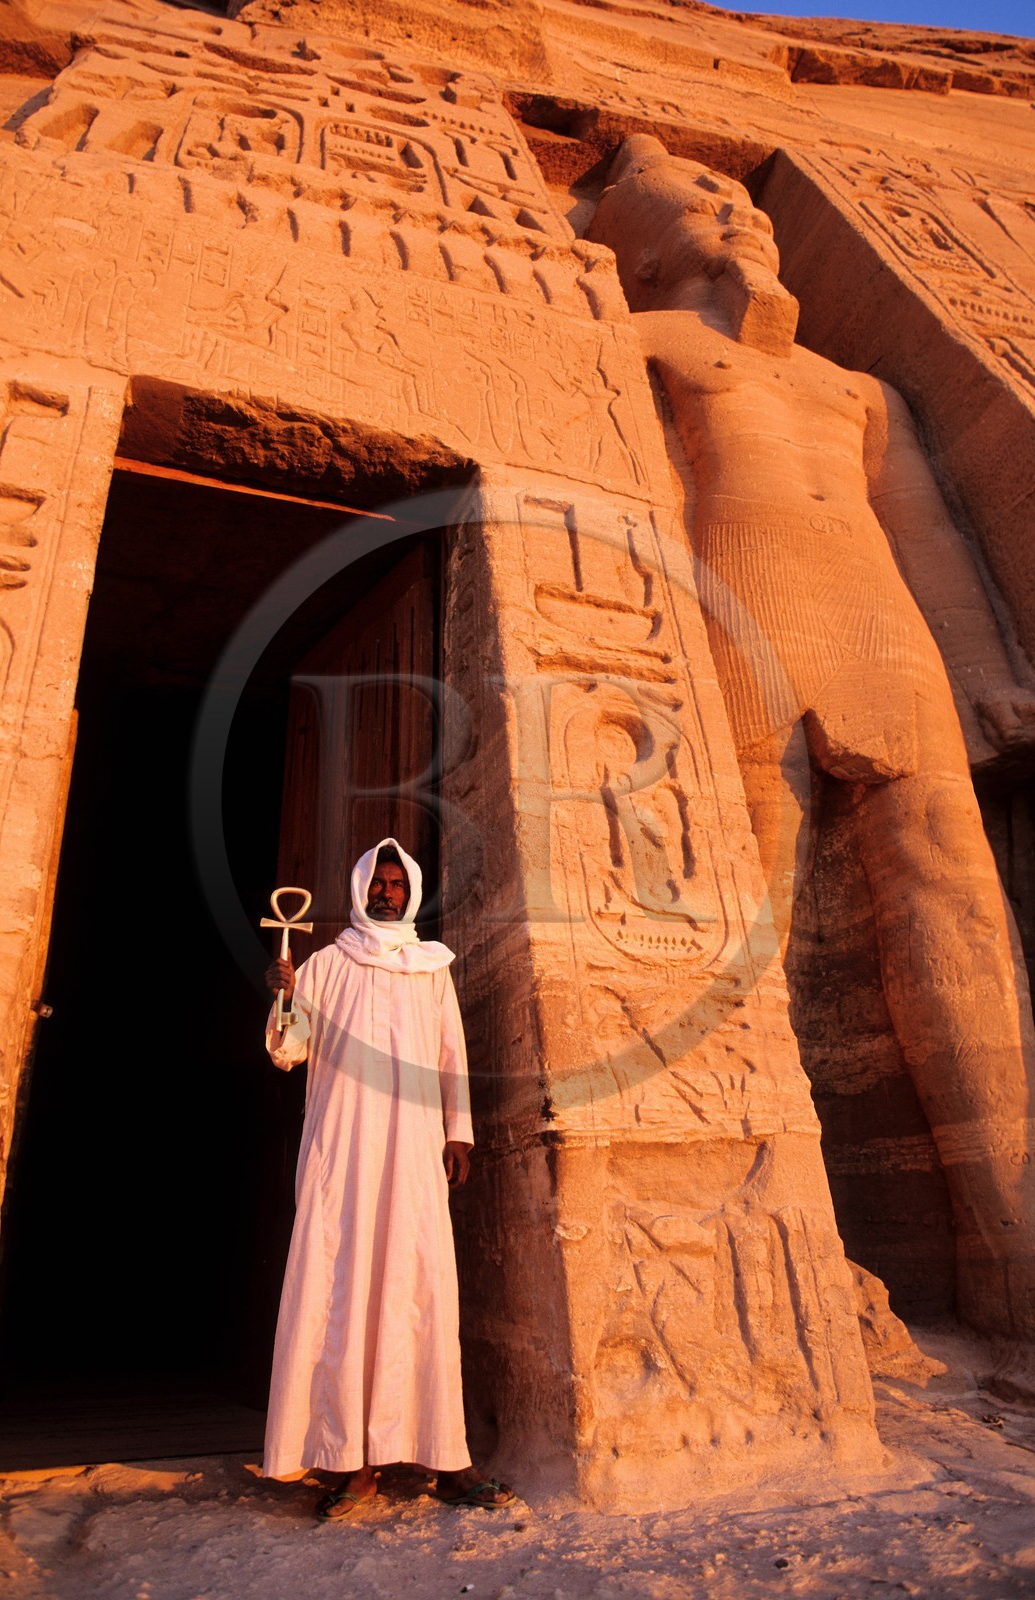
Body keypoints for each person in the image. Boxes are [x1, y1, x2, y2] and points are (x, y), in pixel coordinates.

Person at [588, 136, 1035, 1338]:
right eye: (699, 195)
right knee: (755, 907)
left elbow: (929, 537)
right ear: (630, 242)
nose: (735, 209)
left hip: (888, 637)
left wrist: (990, 668)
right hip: (739, 614)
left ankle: (1010, 1241)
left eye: (737, 192)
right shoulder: (651, 341)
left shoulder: (858, 389)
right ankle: (792, 1236)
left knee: (959, 900)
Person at [262, 837, 514, 1517]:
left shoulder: (431, 968)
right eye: (380, 882)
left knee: (421, 1286)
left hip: (411, 1152)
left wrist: (458, 1131)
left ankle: (447, 1460)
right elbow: (289, 1049)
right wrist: (285, 998)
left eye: (398, 884)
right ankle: (352, 1463)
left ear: (413, 892)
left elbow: (450, 1053)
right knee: (343, 1288)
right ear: (360, 887)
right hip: (341, 1152)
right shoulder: (321, 966)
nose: (388, 892)